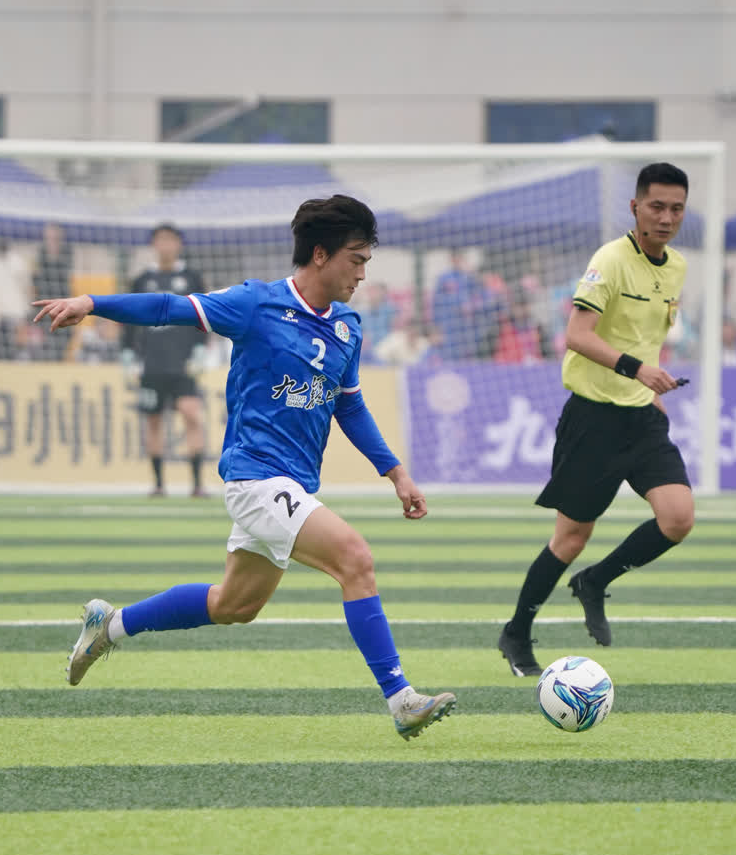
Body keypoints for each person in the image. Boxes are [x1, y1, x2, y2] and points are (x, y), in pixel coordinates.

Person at [34, 194, 456, 740]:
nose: (362, 273)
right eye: (356, 259)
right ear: (321, 255)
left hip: (292, 484)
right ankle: (401, 699)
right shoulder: (256, 304)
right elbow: (168, 308)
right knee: (355, 559)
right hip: (254, 476)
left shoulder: (348, 326)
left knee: (234, 604)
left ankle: (109, 626)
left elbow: (348, 406)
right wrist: (92, 303)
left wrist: (395, 472)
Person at [497, 163, 696, 676]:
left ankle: (596, 580)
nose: (666, 217)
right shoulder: (609, 261)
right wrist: (639, 370)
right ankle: (516, 632)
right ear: (635, 207)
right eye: (657, 206)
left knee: (678, 518)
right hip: (592, 420)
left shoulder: (676, 267)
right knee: (570, 539)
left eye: (676, 209)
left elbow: (644, 337)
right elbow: (577, 336)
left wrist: (648, 389)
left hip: (641, 416)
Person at [125, 223, 210, 497]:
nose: (165, 245)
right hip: (151, 364)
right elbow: (128, 319)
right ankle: (159, 484)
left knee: (191, 413)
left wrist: (200, 350)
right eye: (160, 240)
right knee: (153, 421)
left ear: (179, 244)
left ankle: (197, 484)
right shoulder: (142, 280)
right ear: (153, 244)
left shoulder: (192, 278)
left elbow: (204, 316)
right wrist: (128, 353)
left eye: (170, 240)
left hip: (183, 363)